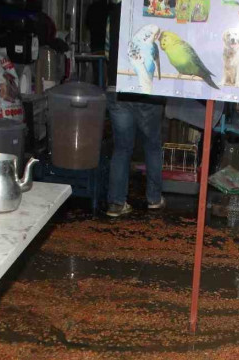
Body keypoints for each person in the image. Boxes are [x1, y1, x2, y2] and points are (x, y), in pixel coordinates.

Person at [88, 0, 166, 217]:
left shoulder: (115, 9)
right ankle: (153, 199)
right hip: (148, 89)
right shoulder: (156, 10)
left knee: (122, 148)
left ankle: (116, 203)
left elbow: (106, 50)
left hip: (118, 86)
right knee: (152, 146)